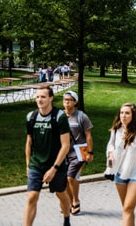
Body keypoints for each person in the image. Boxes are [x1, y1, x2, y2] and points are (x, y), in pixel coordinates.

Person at [24, 86, 72, 226]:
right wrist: (28, 164)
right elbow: (29, 142)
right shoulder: (31, 117)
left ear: (51, 98)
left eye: (43, 97)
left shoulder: (59, 117)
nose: (40, 99)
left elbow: (65, 145)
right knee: (32, 197)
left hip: (56, 163)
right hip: (36, 163)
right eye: (37, 97)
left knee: (61, 193)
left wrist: (54, 168)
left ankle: (67, 218)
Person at [61, 91, 93, 215]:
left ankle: (75, 200)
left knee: (70, 176)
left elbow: (88, 135)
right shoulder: (60, 116)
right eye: (65, 100)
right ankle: (69, 201)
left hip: (79, 151)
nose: (66, 102)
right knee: (65, 179)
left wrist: (90, 152)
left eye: (69, 100)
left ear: (75, 102)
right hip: (64, 152)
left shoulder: (81, 116)